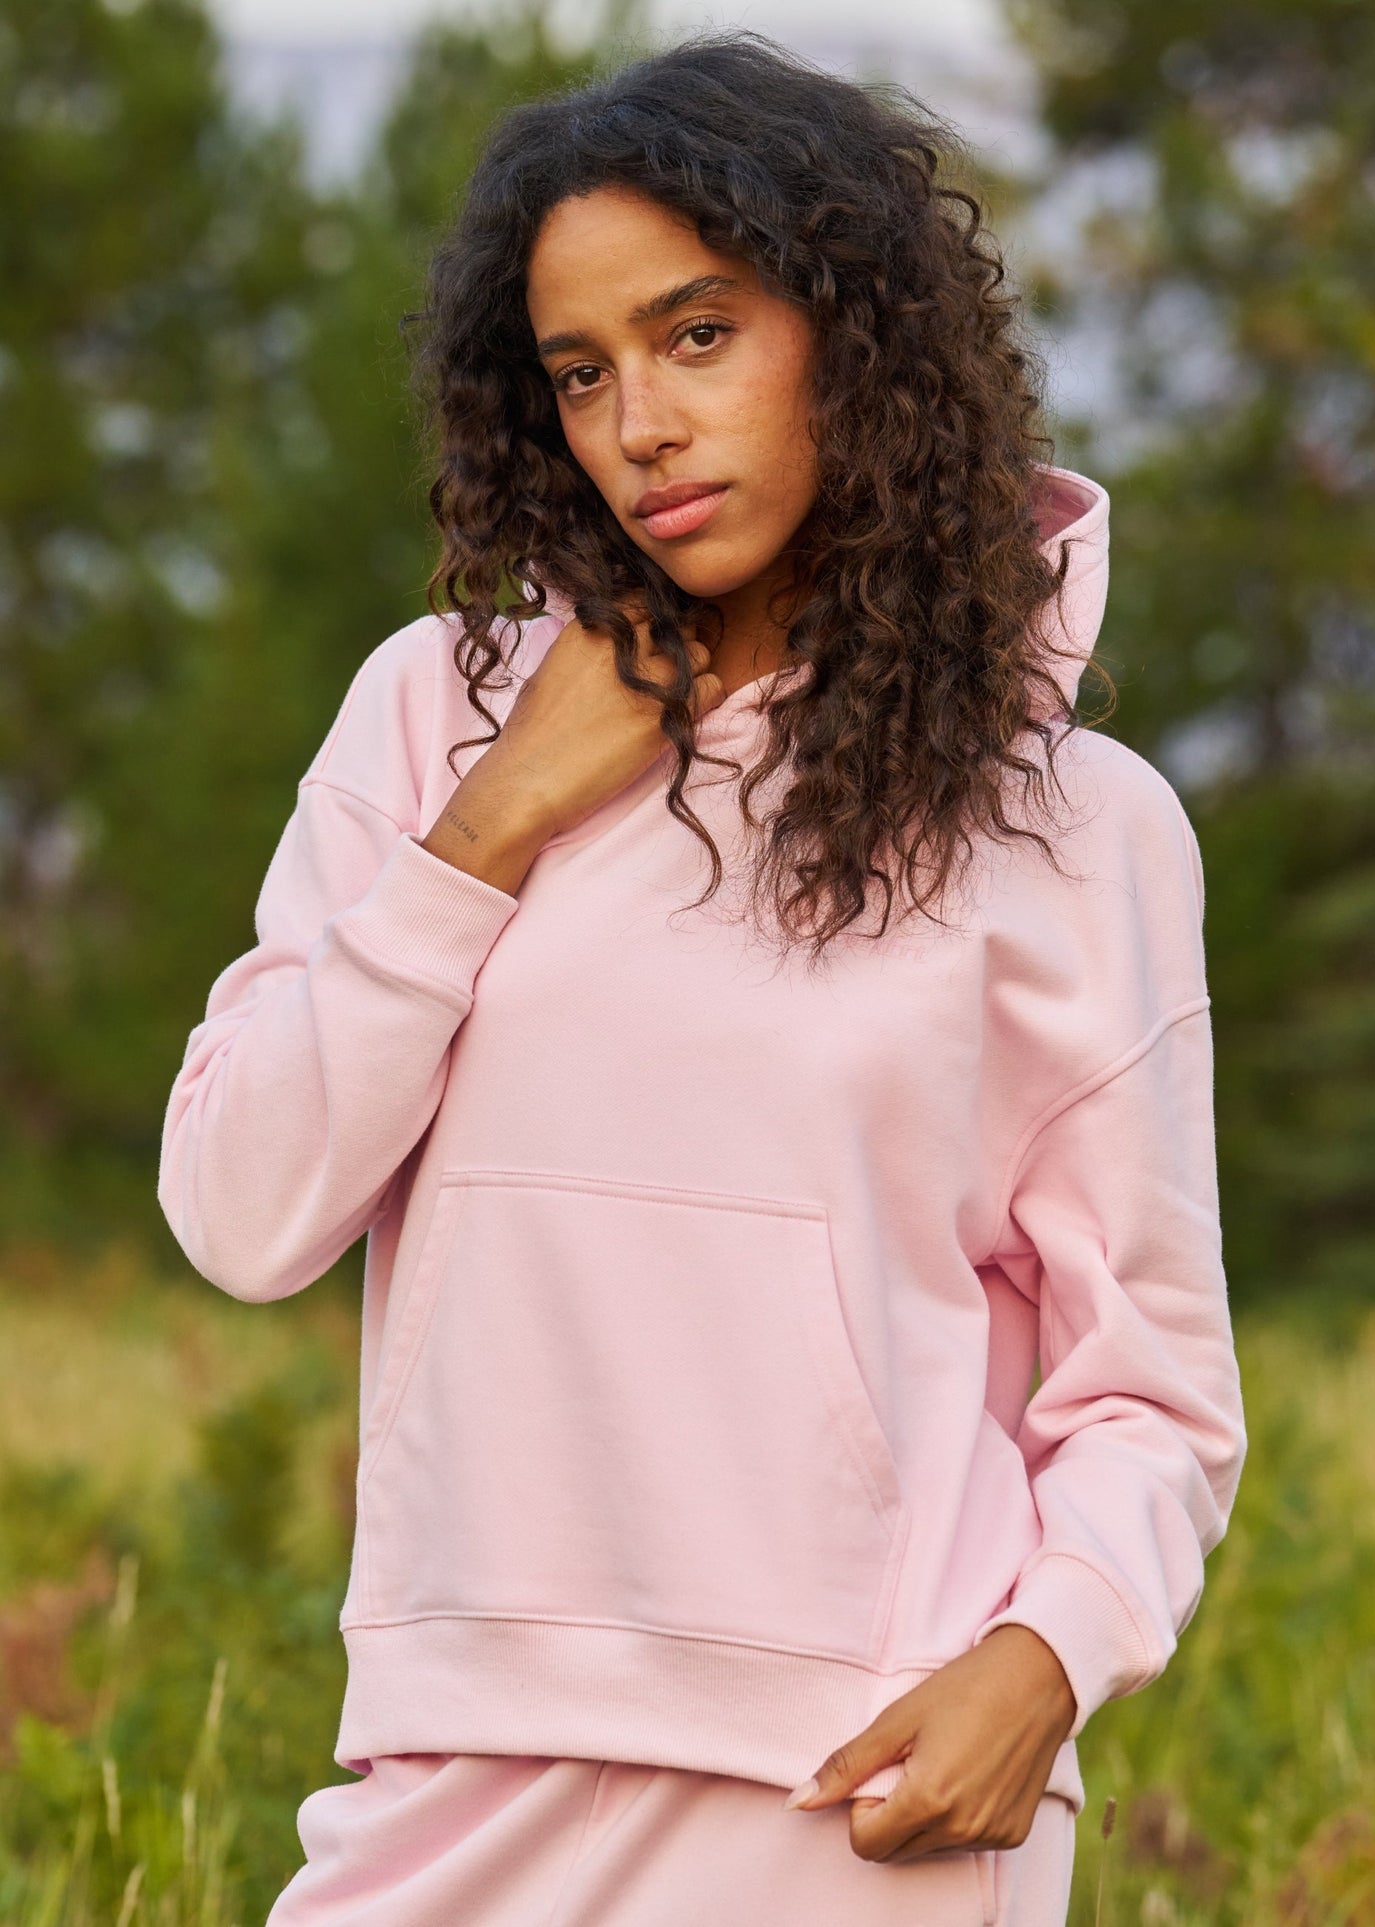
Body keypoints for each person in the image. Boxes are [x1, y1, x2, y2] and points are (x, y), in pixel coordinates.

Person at [158, 32, 1248, 1926]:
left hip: (855, 1779)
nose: (639, 425)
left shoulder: (1075, 826)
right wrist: (493, 823)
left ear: (856, 339)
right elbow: (243, 1212)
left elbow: (1151, 1385)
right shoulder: (434, 716)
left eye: (699, 335)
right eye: (581, 372)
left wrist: (1050, 1657)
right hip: (459, 1747)